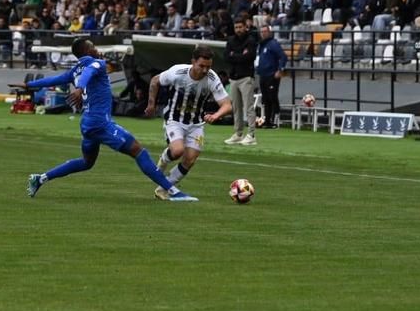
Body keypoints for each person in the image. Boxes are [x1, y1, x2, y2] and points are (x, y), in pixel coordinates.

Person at [14, 38, 198, 202]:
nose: (97, 49)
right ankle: (172, 191)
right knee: (139, 151)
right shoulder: (96, 64)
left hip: (87, 124)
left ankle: (40, 178)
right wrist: (79, 88)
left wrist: (29, 85)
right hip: (100, 123)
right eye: (93, 46)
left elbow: (53, 79)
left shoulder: (75, 70)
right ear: (87, 51)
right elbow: (89, 73)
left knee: (87, 162)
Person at [145, 45, 233, 200]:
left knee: (190, 159)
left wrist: (216, 115)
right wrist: (151, 104)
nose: (205, 70)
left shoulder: (212, 78)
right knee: (178, 151)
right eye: (201, 66)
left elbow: (227, 105)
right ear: (193, 62)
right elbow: (155, 81)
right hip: (174, 119)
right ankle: (164, 160)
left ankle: (163, 189)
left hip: (196, 124)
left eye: (208, 66)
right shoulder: (177, 72)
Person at [224, 18, 259, 145]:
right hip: (233, 77)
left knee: (249, 107)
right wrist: (240, 55)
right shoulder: (231, 40)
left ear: (246, 27)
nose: (238, 29)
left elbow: (250, 56)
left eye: (240, 27)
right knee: (236, 108)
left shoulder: (251, 40)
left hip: (246, 77)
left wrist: (235, 55)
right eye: (236, 27)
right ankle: (238, 133)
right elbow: (226, 56)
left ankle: (251, 134)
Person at [255, 25, 287, 129]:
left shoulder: (273, 44)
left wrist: (280, 69)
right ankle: (267, 120)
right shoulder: (262, 45)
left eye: (265, 31)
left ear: (269, 32)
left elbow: (283, 56)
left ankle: (275, 119)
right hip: (263, 75)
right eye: (261, 32)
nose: (263, 33)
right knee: (265, 98)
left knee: (272, 97)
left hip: (271, 75)